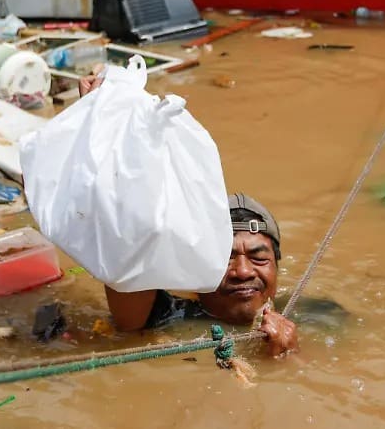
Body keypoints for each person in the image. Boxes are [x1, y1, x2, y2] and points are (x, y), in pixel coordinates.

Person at [77, 74, 299, 357]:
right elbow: (126, 237)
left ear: (277, 267)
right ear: (196, 267)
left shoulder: (313, 314)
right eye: (225, 258)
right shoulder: (166, 316)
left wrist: (290, 354)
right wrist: (101, 131)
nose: (243, 272)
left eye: (259, 258)